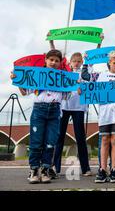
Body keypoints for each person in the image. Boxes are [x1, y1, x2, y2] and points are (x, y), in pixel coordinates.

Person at [10, 50, 67, 184]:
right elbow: (25, 92)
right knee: (36, 142)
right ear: (46, 60)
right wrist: (17, 80)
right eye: (51, 59)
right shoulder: (37, 76)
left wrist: (75, 87)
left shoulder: (63, 78)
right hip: (39, 110)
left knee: (50, 143)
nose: (53, 63)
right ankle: (34, 170)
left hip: (55, 111)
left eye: (57, 61)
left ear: (60, 63)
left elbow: (67, 95)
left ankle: (45, 169)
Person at [82, 50, 115, 183]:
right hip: (105, 113)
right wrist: (86, 62)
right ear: (109, 63)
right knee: (104, 140)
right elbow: (86, 79)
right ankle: (102, 169)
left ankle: (114, 169)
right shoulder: (101, 76)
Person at [53, 52, 92, 178]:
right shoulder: (65, 73)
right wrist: (51, 42)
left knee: (80, 138)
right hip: (64, 107)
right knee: (59, 137)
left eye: (79, 61)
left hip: (79, 108)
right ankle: (55, 167)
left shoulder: (85, 74)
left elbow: (92, 62)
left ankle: (85, 168)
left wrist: (99, 43)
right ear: (70, 62)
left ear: (82, 62)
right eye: (74, 61)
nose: (76, 63)